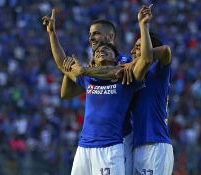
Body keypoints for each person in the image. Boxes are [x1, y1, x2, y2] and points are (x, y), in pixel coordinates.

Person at [42, 9, 134, 175]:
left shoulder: (125, 61)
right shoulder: (90, 70)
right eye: (90, 34)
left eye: (96, 34)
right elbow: (64, 69)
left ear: (111, 37)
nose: (91, 38)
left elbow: (116, 72)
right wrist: (52, 33)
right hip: (85, 145)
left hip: (117, 141)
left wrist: (82, 70)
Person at [60, 42, 142, 175]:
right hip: (83, 147)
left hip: (109, 147)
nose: (100, 51)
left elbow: (145, 60)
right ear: (94, 61)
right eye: (97, 52)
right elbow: (61, 64)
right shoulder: (89, 79)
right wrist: (51, 33)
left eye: (106, 50)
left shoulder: (125, 77)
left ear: (116, 59)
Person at [130, 5, 174, 175]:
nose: (133, 50)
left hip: (155, 144)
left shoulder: (158, 72)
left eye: (138, 46)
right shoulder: (132, 75)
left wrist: (144, 25)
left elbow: (166, 51)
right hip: (138, 145)